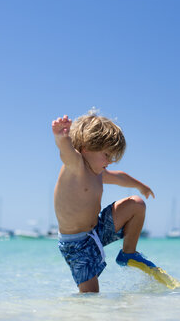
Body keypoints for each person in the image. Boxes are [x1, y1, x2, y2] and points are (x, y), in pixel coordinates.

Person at [52, 111, 157, 293]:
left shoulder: (98, 172)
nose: (110, 161)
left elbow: (121, 178)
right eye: (106, 155)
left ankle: (128, 254)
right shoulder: (76, 166)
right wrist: (61, 137)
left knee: (137, 204)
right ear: (85, 147)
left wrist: (141, 186)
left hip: (97, 230)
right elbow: (66, 152)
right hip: (76, 245)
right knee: (91, 297)